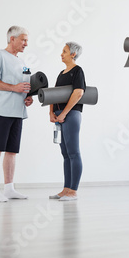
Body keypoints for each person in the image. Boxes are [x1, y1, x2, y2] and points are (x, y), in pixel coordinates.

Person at [0, 26, 33, 202]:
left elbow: (22, 87)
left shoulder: (22, 61)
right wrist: (13, 88)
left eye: (27, 40)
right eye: (23, 39)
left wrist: (27, 98)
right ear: (12, 39)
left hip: (18, 112)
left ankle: (9, 188)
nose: (26, 43)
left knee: (12, 151)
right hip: (1, 111)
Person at [48, 42, 86, 201]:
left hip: (71, 115)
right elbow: (54, 93)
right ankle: (66, 189)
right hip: (59, 115)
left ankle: (73, 191)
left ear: (73, 54)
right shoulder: (61, 73)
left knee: (73, 152)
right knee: (65, 153)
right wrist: (51, 112)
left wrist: (63, 113)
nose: (61, 54)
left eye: (64, 51)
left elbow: (78, 93)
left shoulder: (78, 71)